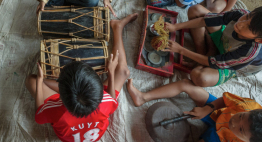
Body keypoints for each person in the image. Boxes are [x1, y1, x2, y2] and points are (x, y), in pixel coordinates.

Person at [25, 13, 138, 142]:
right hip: (91, 113)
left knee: (31, 80)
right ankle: (118, 27)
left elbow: (38, 116)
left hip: (66, 112)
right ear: (99, 91)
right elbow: (112, 100)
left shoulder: (56, 110)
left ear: (60, 96)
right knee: (123, 71)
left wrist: (40, 81)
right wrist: (111, 73)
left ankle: (59, 87)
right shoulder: (104, 103)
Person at [127, 78, 262, 142]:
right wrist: (207, 109)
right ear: (247, 112)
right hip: (218, 112)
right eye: (240, 117)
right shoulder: (248, 106)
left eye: (241, 130)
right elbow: (224, 100)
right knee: (186, 84)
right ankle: (142, 97)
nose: (234, 123)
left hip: (221, 139)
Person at [162, 7, 262, 87]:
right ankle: (205, 51)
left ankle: (210, 50)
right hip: (224, 41)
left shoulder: (249, 53)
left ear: (259, 40)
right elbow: (206, 20)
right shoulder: (240, 14)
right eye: (247, 17)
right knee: (195, 10)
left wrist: (181, 50)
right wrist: (175, 27)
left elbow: (215, 63)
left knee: (200, 77)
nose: (240, 23)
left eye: (249, 27)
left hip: (230, 64)